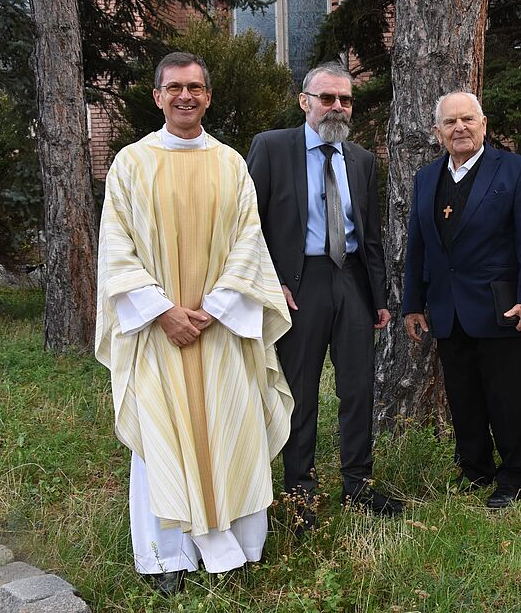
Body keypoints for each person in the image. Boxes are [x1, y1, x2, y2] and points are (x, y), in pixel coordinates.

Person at [95, 52, 293, 594]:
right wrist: (163, 312)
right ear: (157, 96)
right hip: (157, 332)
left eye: (195, 88)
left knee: (231, 431)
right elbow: (116, 248)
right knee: (163, 438)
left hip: (220, 329)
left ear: (208, 96)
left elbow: (249, 242)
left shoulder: (230, 164)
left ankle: (238, 550)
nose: (185, 96)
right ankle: (168, 558)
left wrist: (215, 308)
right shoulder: (130, 164)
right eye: (175, 87)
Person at [247, 62, 403, 524]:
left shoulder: (361, 159)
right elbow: (248, 225)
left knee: (358, 389)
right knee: (300, 392)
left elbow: (370, 235)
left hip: (351, 281)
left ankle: (359, 485)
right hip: (298, 284)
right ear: (305, 102)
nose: (337, 106)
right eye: (327, 97)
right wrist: (270, 281)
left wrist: (379, 298)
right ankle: (300, 494)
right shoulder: (272, 148)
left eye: (345, 99)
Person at [402, 91, 521, 508]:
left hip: (500, 305)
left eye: (467, 119)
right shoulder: (426, 178)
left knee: (506, 395)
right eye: (450, 122)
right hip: (447, 308)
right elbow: (418, 247)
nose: (459, 128)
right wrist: (413, 304)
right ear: (438, 132)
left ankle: (517, 475)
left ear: (483, 125)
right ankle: (475, 469)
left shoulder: (515, 170)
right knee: (462, 395)